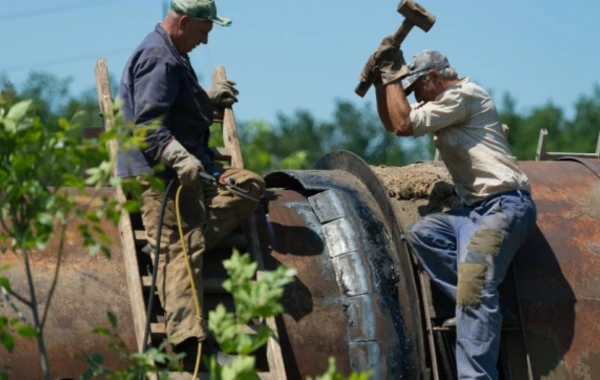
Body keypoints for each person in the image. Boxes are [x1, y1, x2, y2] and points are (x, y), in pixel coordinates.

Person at [363, 37, 537, 379]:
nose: (414, 97)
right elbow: (394, 123)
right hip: (471, 212)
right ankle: (489, 307)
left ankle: (476, 373)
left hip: (503, 207)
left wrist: (392, 75)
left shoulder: (463, 95)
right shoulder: (444, 102)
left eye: (416, 88)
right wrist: (382, 82)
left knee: (474, 285)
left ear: (432, 78)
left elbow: (403, 123)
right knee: (422, 233)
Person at [116, 0, 265, 367]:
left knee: (248, 186)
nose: (205, 40)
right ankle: (189, 347)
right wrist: (180, 158)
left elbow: (175, 103)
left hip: (191, 174)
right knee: (181, 250)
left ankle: (169, 246)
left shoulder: (173, 54)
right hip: (158, 175)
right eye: (203, 31)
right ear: (183, 22)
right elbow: (148, 125)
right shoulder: (159, 58)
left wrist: (205, 98)